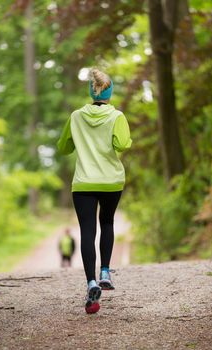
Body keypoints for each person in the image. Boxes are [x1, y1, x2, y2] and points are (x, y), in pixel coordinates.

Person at [56, 68, 132, 314]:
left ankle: (90, 283)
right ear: (109, 92)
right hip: (111, 181)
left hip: (84, 183)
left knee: (87, 230)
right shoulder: (117, 116)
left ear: (92, 91)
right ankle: (105, 272)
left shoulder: (76, 116)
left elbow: (64, 148)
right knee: (107, 223)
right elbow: (122, 144)